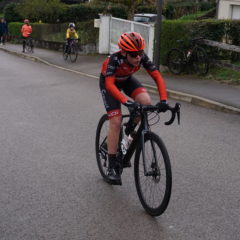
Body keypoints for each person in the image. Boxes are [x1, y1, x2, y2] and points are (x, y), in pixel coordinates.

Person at [99, 32, 168, 185]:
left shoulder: (141, 58)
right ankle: (112, 166)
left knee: (146, 102)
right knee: (116, 121)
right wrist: (126, 101)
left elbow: (157, 76)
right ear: (124, 52)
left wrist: (163, 100)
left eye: (140, 53)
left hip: (126, 80)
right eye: (134, 54)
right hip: (109, 84)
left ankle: (129, 129)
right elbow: (110, 85)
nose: (138, 57)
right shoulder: (114, 60)